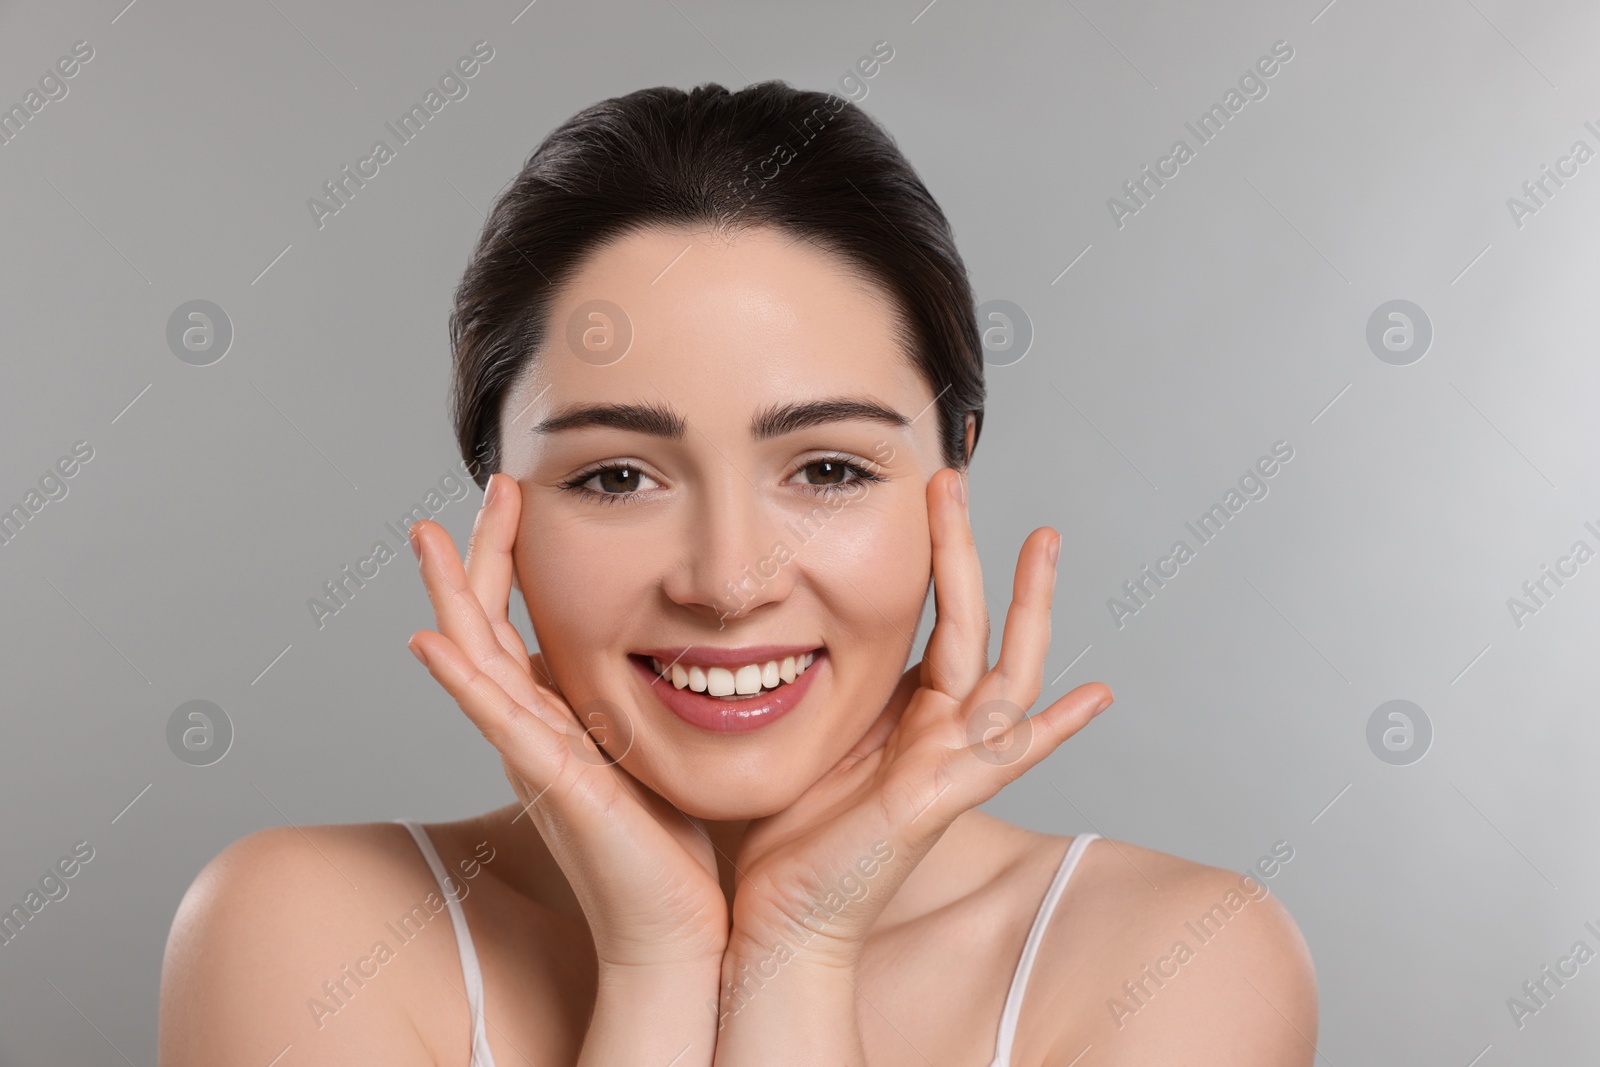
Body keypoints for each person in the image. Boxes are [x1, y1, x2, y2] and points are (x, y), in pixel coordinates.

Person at [159, 80, 1316, 1065]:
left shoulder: (1172, 963)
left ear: (952, 470)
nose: (726, 580)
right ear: (495, 501)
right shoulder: (302, 929)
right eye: (616, 476)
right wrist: (656, 963)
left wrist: (797, 955)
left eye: (824, 466)